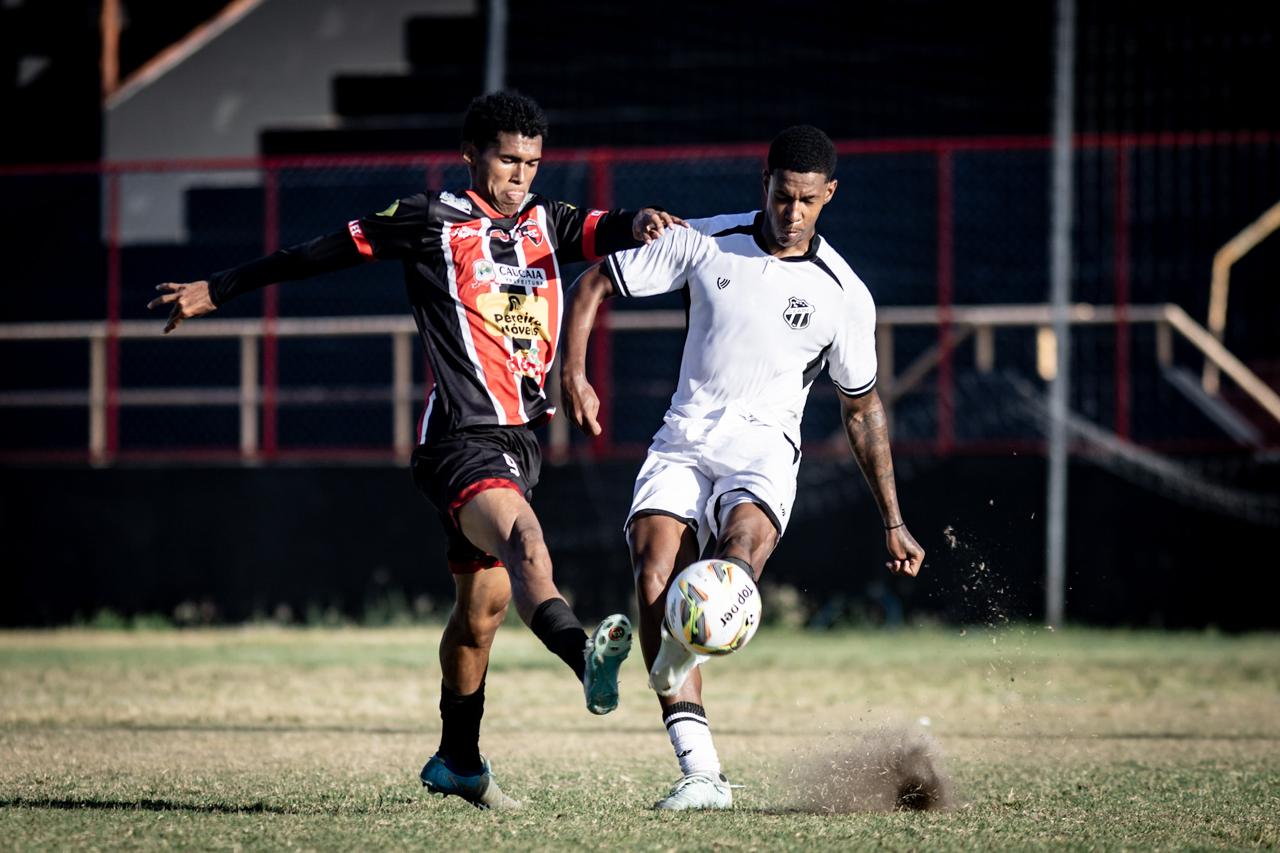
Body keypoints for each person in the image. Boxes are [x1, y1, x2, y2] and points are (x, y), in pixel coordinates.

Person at [148, 91, 686, 810]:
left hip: (520, 443)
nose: (520, 173)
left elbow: (607, 227)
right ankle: (583, 654)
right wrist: (220, 287)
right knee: (528, 544)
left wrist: (641, 220)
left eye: (531, 161)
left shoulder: (546, 222)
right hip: (460, 442)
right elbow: (316, 253)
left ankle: (458, 760)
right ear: (471, 154)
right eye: (506, 159)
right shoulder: (428, 219)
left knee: (482, 614)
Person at [559, 125, 925, 810]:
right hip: (684, 438)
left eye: (808, 201)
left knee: (729, 574)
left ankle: (659, 676)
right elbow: (593, 283)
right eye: (783, 196)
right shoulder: (702, 238)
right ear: (764, 182)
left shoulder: (844, 292)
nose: (792, 213)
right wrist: (572, 373)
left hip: (763, 452)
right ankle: (702, 772)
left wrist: (894, 519)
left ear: (829, 196)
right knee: (653, 573)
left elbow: (862, 408)